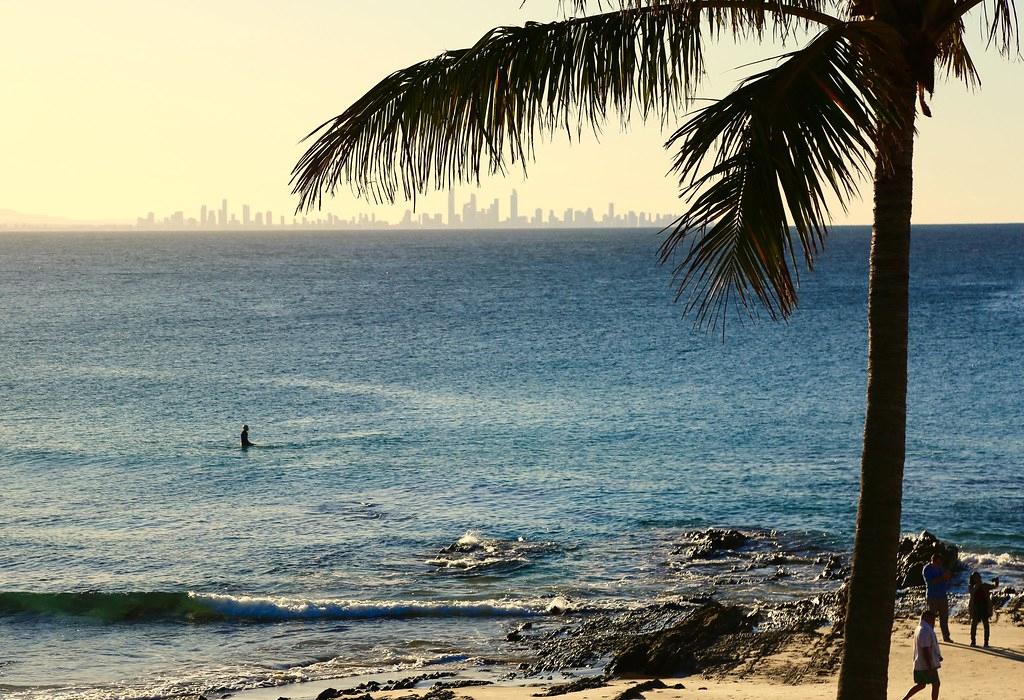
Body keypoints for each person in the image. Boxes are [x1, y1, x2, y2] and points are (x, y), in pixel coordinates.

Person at [902, 609, 942, 700]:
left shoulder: (920, 628)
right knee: (936, 684)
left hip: (919, 663)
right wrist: (930, 665)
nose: (934, 621)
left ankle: (905, 698)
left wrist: (937, 656)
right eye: (932, 619)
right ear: (927, 618)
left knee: (921, 685)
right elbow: (925, 649)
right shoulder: (925, 630)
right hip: (926, 664)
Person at [922, 553, 953, 642]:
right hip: (932, 596)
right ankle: (929, 637)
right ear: (933, 561)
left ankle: (946, 637)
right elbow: (931, 582)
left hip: (942, 595)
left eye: (940, 562)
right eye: (938, 562)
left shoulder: (941, 568)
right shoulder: (927, 569)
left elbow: (947, 578)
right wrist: (943, 577)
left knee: (944, 618)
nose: (940, 564)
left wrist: (947, 576)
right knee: (931, 618)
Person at [968, 571, 999, 648]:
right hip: (975, 607)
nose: (978, 578)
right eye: (976, 577)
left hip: (984, 607)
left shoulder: (984, 585)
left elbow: (995, 587)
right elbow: (972, 592)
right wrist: (977, 586)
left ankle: (986, 642)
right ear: (973, 579)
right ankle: (973, 641)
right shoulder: (971, 586)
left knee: (986, 625)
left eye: (979, 577)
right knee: (974, 624)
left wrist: (996, 581)